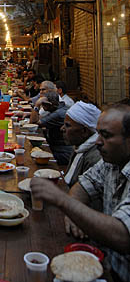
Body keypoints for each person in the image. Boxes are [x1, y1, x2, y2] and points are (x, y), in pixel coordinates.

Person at [31, 103, 130, 282]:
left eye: (106, 135)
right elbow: (84, 185)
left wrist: (63, 201)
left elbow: (123, 235)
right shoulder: (111, 161)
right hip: (102, 261)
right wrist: (72, 213)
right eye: (98, 133)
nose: (98, 141)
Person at [62, 101, 102, 188]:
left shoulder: (94, 158)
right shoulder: (79, 146)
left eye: (67, 125)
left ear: (84, 131)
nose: (62, 128)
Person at [34, 90, 73, 165]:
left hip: (63, 152)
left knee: (35, 158)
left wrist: (37, 105)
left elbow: (34, 122)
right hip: (59, 147)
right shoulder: (60, 107)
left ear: (50, 104)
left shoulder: (58, 114)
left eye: (43, 104)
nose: (43, 106)